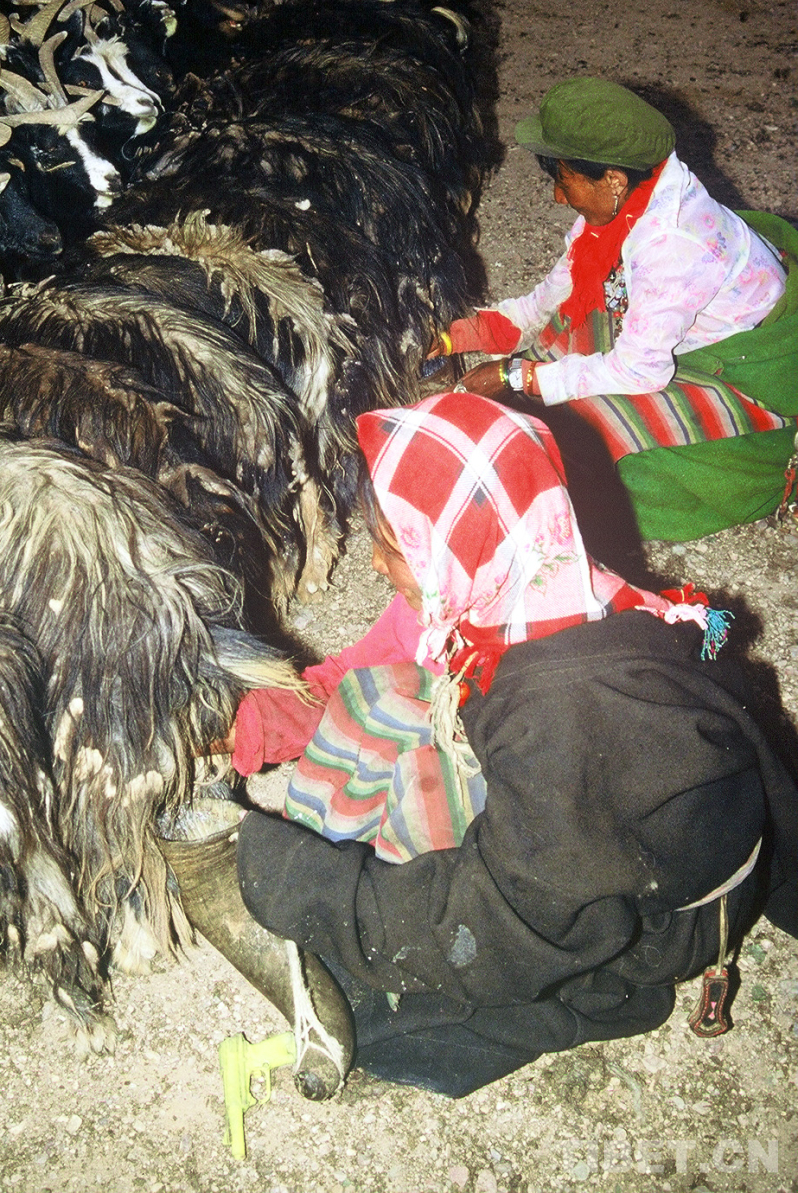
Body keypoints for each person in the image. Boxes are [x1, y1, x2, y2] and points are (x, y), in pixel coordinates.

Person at [231, 392, 798, 1097]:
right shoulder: (510, 585)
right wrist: (245, 727)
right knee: (375, 699)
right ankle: (336, 884)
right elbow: (358, 672)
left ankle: (353, 942)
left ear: (444, 546)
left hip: (649, 919)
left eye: (391, 544)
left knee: (421, 847)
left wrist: (297, 882)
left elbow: (502, 926)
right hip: (578, 823)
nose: (374, 563)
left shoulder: (566, 718)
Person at [433, 77, 798, 542]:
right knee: (571, 326)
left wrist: (515, 375)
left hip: (749, 364)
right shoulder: (621, 208)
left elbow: (641, 371)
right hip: (685, 332)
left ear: (613, 179)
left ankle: (759, 462)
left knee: (589, 447)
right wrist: (454, 336)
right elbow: (546, 302)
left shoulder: (670, 243)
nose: (558, 197)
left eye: (564, 181)